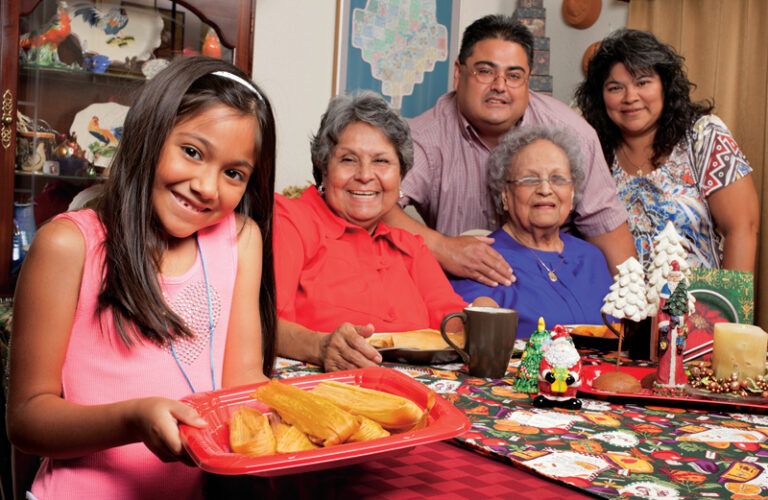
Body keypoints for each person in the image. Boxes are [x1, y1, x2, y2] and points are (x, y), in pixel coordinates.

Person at [7, 56, 277, 498]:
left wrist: (299, 409)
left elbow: (242, 379)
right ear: (149, 136)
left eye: (233, 173)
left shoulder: (241, 240)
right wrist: (133, 420)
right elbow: (26, 420)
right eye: (192, 152)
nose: (208, 187)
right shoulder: (69, 246)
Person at [384, 14, 635, 287]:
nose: (500, 86)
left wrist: (635, 309)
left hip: (553, 286)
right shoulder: (424, 137)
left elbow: (607, 228)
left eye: (514, 75)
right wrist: (443, 247)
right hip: (460, 285)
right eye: (485, 71)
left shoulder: (573, 134)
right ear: (459, 73)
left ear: (529, 80)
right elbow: (378, 207)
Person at [274, 92, 481, 372]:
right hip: (323, 393)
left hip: (416, 395)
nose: (364, 175)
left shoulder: (411, 247)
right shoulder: (292, 220)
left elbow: (453, 324)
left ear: (400, 176)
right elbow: (261, 322)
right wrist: (319, 346)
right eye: (348, 160)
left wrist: (484, 312)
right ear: (323, 169)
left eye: (381, 161)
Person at [575, 29, 758, 272]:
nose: (630, 97)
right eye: (615, 88)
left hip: (698, 305)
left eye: (643, 82)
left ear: (665, 85)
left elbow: (742, 228)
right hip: (617, 305)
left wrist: (730, 308)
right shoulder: (591, 147)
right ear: (600, 96)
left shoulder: (703, 134)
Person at [451, 126, 613, 337]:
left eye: (558, 179)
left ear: (572, 194)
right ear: (505, 195)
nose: (545, 190)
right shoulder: (479, 258)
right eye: (530, 180)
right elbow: (478, 342)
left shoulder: (592, 258)